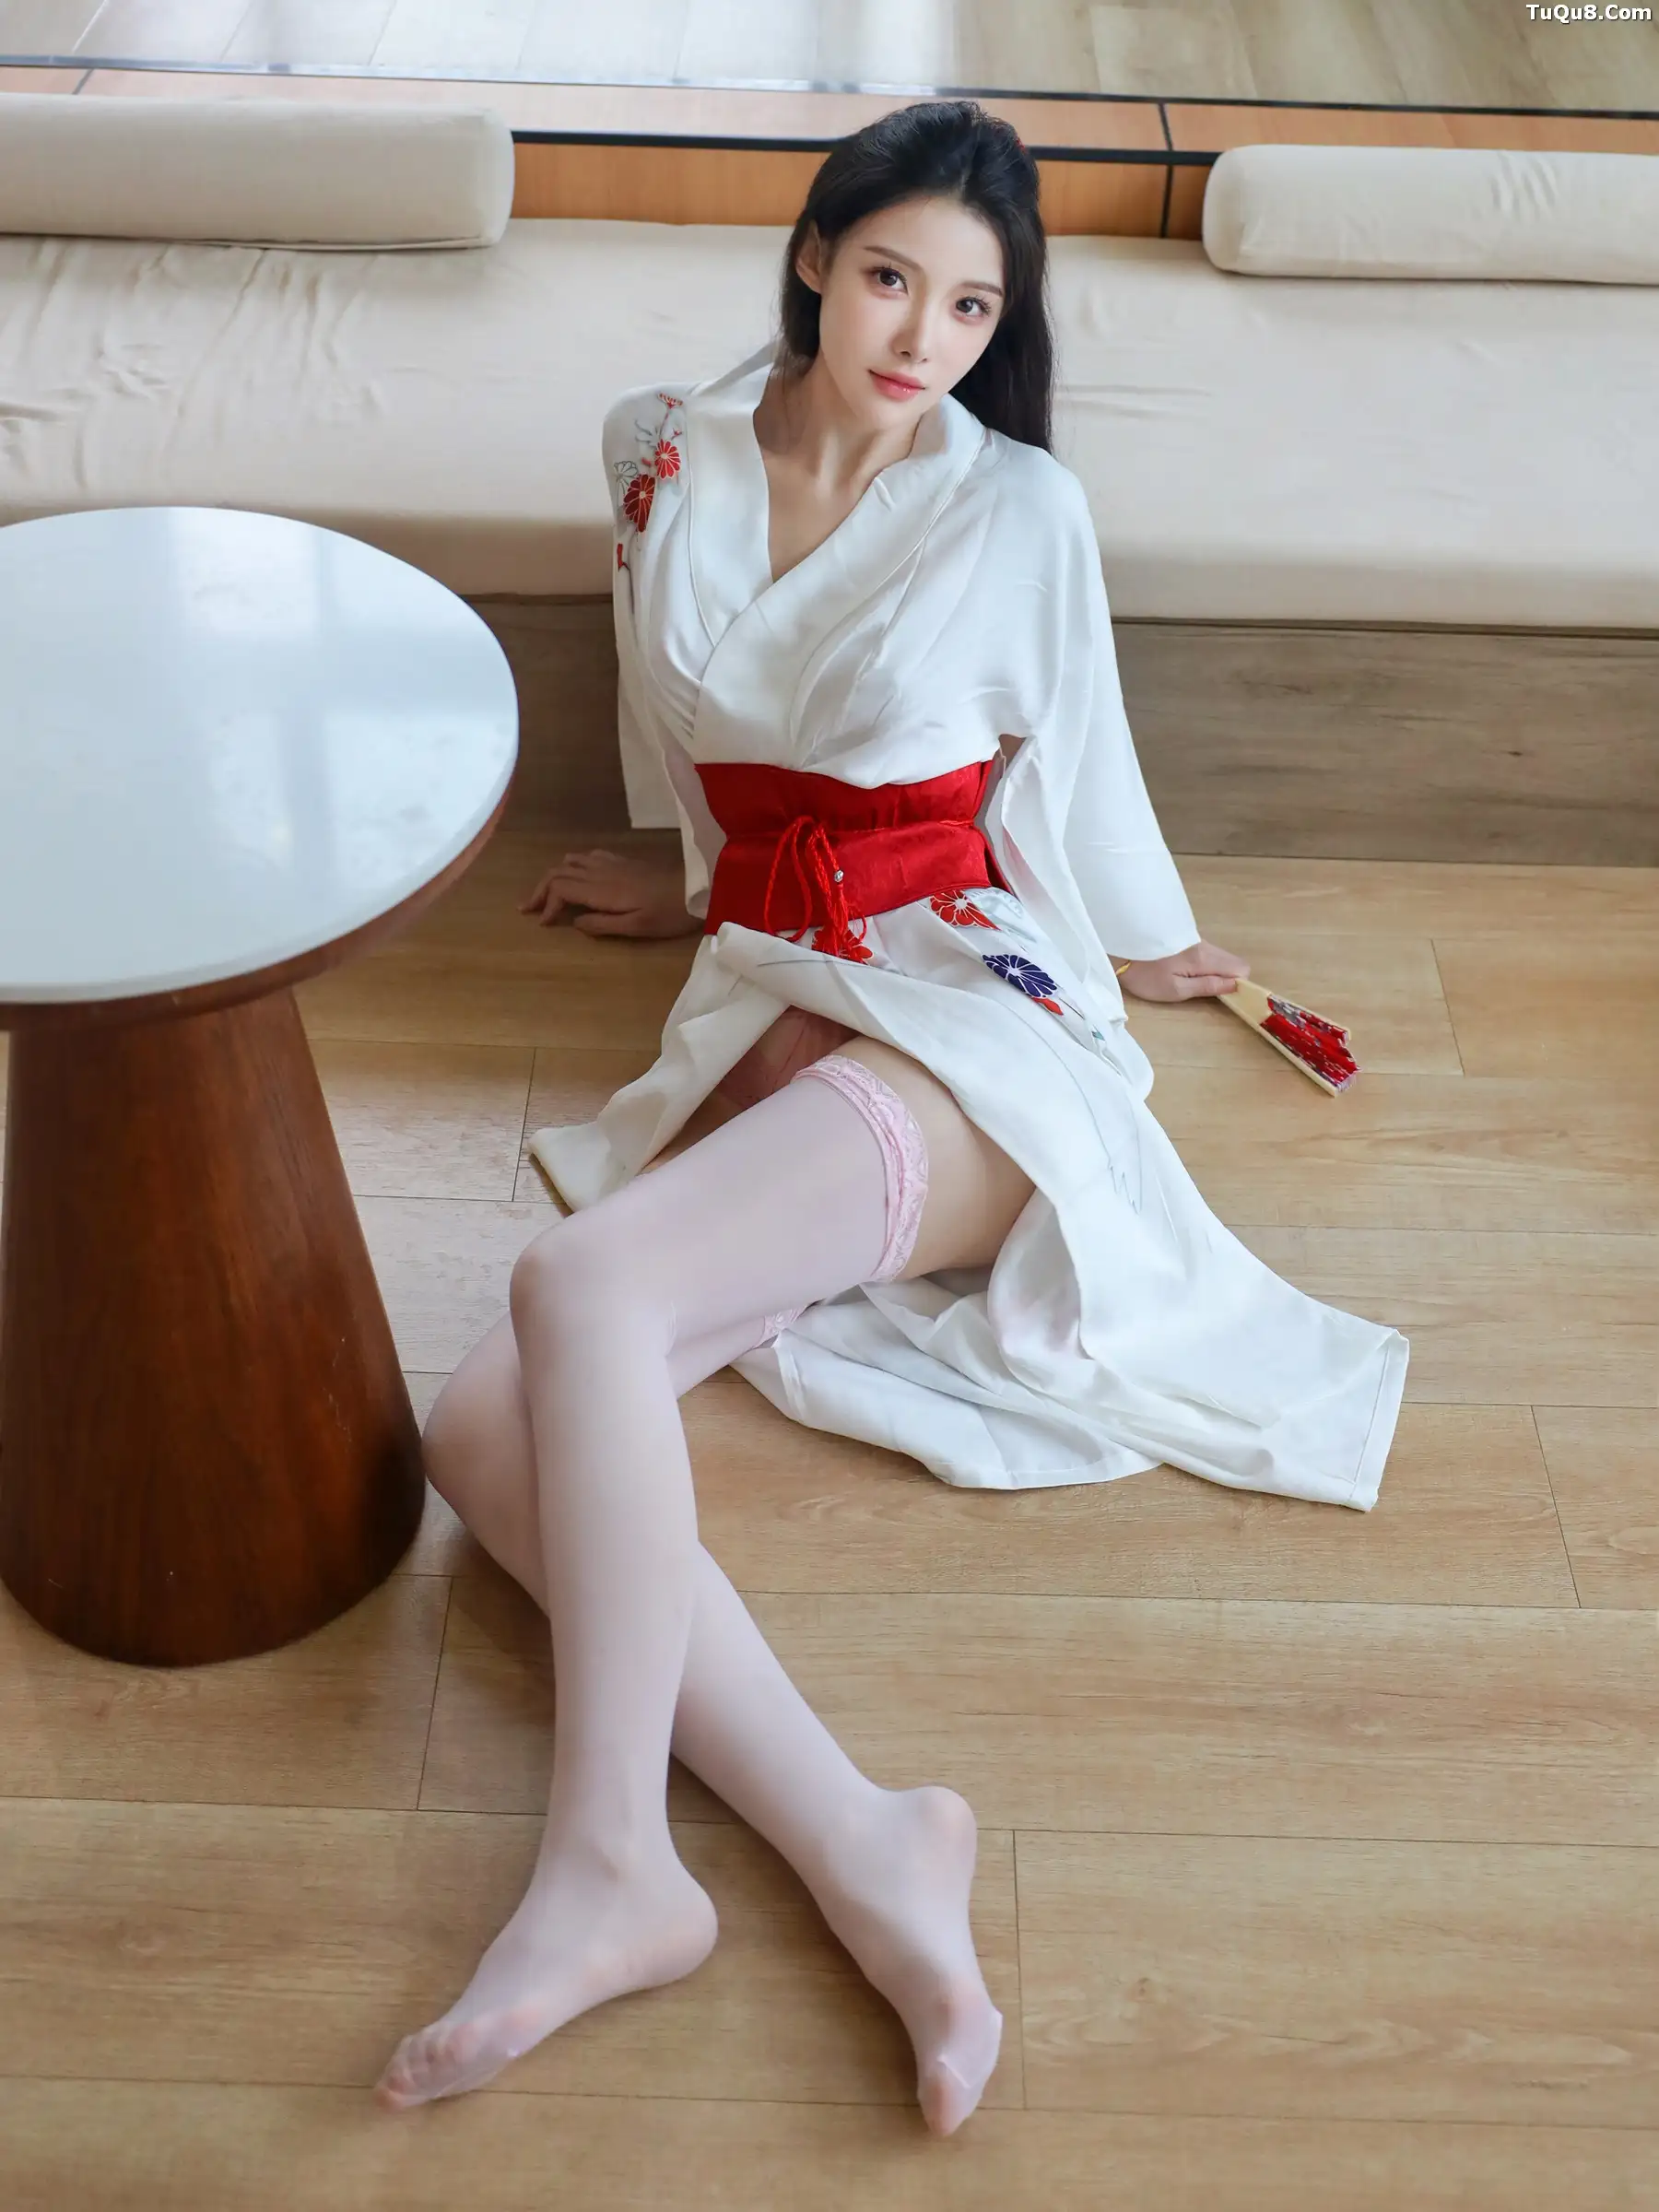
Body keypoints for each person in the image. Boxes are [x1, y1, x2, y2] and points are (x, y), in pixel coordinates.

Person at [375, 99, 1409, 2132]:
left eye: (969, 308)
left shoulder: (1018, 510)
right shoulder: (660, 449)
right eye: (886, 279)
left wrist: (1154, 948)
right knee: (479, 1430)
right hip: (774, 979)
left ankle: (606, 1865)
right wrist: (681, 879)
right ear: (813, 259)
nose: (920, 337)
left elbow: (1081, 764)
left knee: (580, 1293)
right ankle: (864, 1840)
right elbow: (671, 710)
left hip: (968, 1005)